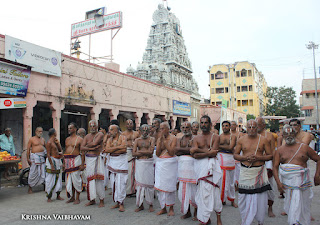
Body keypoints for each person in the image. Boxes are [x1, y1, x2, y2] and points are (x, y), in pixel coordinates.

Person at [273, 125, 320, 225]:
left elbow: (318, 159)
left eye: (291, 133)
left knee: (303, 207)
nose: (289, 136)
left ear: (295, 134)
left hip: (303, 184)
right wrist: (278, 183)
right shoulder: (279, 150)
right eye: (286, 134)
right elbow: (275, 167)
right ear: (283, 136)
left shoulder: (304, 147)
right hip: (288, 185)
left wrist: (317, 175)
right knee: (291, 207)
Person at [234, 120, 273, 225]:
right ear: (246, 127)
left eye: (254, 127)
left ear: (257, 128)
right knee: (243, 200)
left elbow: (270, 155)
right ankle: (246, 221)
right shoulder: (241, 140)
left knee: (260, 199)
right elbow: (235, 155)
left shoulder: (263, 140)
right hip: (245, 172)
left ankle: (259, 221)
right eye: (249, 127)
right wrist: (245, 157)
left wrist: (258, 157)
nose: (251, 129)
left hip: (259, 172)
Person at [190, 115, 222, 225]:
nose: (203, 125)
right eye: (202, 123)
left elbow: (214, 152)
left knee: (215, 192)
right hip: (201, 167)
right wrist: (208, 152)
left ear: (210, 124)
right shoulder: (196, 138)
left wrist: (198, 150)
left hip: (213, 168)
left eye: (206, 123)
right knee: (202, 194)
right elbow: (195, 155)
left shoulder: (216, 137)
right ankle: (205, 219)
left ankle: (218, 218)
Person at [154, 122, 178, 216]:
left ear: (168, 129)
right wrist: (160, 142)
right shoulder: (159, 138)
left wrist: (165, 142)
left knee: (170, 187)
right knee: (160, 187)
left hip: (170, 164)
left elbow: (172, 152)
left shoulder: (174, 138)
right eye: (160, 129)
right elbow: (157, 154)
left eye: (163, 128)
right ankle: (163, 208)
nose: (161, 130)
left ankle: (171, 208)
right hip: (161, 164)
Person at [175, 122, 197, 220]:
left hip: (193, 168)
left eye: (187, 127)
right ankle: (187, 211)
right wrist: (188, 150)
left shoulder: (196, 138)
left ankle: (196, 212)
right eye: (183, 127)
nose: (185, 129)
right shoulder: (180, 139)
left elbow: (194, 151)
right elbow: (176, 151)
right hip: (182, 168)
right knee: (183, 191)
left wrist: (182, 150)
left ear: (191, 128)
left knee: (194, 191)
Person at [80, 120, 105, 207]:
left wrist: (89, 146)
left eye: (94, 126)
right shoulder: (87, 136)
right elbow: (82, 148)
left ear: (97, 126)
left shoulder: (100, 134)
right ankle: (92, 199)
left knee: (98, 179)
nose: (92, 128)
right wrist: (93, 147)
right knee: (89, 179)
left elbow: (94, 143)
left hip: (97, 158)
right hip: (89, 159)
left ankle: (101, 199)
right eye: (91, 126)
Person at [132, 124, 155, 212]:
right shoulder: (137, 140)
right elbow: (133, 154)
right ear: (140, 131)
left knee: (149, 184)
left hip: (148, 163)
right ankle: (140, 205)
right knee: (140, 185)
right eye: (143, 130)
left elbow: (151, 152)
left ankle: (150, 204)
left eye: (147, 131)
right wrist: (145, 152)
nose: (145, 132)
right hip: (140, 164)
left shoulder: (152, 139)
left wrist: (140, 152)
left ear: (149, 131)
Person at [256, 117, 276, 217]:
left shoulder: (269, 136)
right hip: (255, 163)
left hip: (267, 163)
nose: (256, 127)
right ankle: (257, 208)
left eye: (258, 124)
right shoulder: (252, 135)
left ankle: (270, 208)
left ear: (264, 125)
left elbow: (273, 152)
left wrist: (273, 166)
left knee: (269, 186)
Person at [105, 125, 128, 212]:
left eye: (111, 130)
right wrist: (118, 147)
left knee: (121, 183)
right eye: (109, 130)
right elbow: (107, 150)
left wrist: (113, 149)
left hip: (121, 162)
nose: (109, 131)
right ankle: (117, 202)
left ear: (117, 131)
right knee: (114, 182)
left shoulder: (123, 137)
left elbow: (124, 149)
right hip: (113, 162)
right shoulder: (109, 139)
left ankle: (121, 203)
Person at [218, 120, 237, 207]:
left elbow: (230, 147)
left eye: (226, 126)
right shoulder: (219, 136)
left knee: (231, 182)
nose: (225, 127)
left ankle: (232, 200)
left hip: (230, 159)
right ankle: (223, 199)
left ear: (229, 127)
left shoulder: (233, 136)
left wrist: (220, 147)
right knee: (221, 180)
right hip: (221, 158)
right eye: (223, 126)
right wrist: (225, 148)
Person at [64, 122, 83, 204]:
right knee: (69, 180)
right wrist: (64, 163)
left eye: (71, 128)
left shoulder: (80, 139)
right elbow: (65, 150)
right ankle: (72, 197)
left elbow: (82, 152)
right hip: (68, 161)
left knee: (76, 179)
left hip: (76, 160)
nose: (69, 130)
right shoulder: (67, 139)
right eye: (68, 128)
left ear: (75, 129)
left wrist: (82, 164)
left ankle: (77, 198)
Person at [45, 128, 64, 202]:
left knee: (58, 178)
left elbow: (60, 151)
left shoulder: (55, 141)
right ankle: (49, 196)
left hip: (57, 160)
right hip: (52, 161)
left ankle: (58, 195)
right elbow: (48, 154)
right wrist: (52, 165)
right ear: (53, 133)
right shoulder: (49, 142)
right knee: (50, 179)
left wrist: (58, 143)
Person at [122, 119, 139, 196]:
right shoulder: (123, 134)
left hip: (136, 153)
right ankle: (129, 191)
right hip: (127, 154)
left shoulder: (136, 133)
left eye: (131, 123)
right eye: (128, 124)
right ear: (125, 125)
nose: (129, 125)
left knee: (136, 172)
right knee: (129, 173)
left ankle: (136, 189)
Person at [27, 127, 46, 193]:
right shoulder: (31, 139)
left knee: (43, 172)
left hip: (42, 158)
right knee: (33, 172)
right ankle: (30, 187)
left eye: (41, 131)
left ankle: (44, 186)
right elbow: (28, 149)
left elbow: (46, 147)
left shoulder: (43, 139)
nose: (40, 133)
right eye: (39, 131)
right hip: (34, 158)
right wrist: (28, 159)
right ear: (36, 131)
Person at [230, 121, 244, 189]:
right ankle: (232, 184)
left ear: (236, 126)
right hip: (230, 153)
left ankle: (238, 184)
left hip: (238, 152)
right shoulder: (227, 134)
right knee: (231, 169)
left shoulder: (240, 134)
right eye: (231, 125)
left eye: (233, 125)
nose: (232, 126)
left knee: (238, 169)